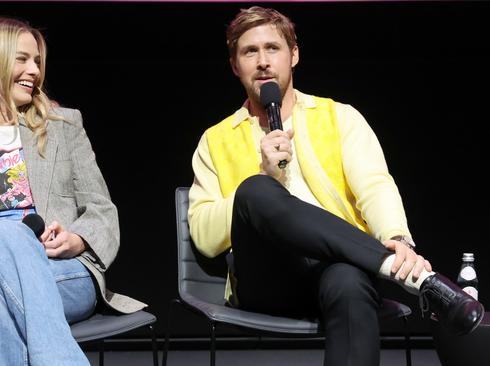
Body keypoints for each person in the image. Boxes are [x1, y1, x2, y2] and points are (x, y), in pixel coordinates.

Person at [188, 6, 484, 366]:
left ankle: (396, 265)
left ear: (293, 55)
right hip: (267, 279)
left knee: (348, 281)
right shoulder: (215, 139)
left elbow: (374, 185)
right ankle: (414, 278)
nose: (263, 61)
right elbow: (203, 235)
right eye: (250, 51)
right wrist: (266, 175)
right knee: (255, 189)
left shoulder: (339, 117)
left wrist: (398, 238)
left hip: (338, 268)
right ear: (235, 65)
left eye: (273, 48)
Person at [0, 17, 146, 366]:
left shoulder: (65, 127)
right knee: (7, 236)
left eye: (37, 61)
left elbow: (101, 209)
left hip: (61, 269)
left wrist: (77, 239)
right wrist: (10, 239)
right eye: (22, 59)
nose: (34, 70)